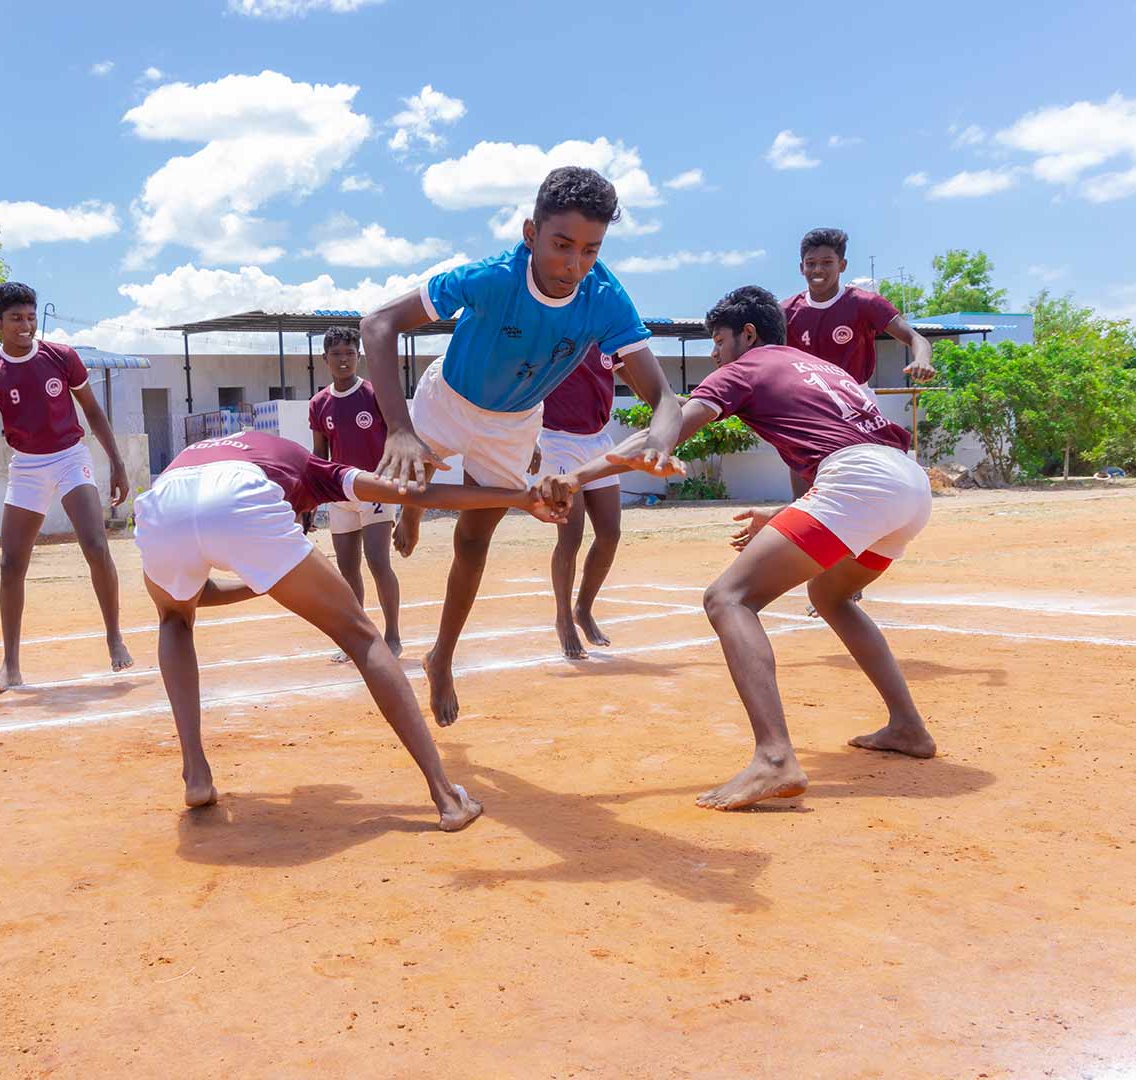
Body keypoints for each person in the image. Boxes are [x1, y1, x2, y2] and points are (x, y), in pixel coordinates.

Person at [543, 285, 937, 811]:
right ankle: (908, 726)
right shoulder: (818, 366)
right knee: (832, 595)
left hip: (858, 483)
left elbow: (665, 431)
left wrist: (576, 477)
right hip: (907, 484)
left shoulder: (746, 368)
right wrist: (787, 514)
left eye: (719, 340)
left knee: (728, 598)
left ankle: (774, 758)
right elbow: (848, 446)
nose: (714, 353)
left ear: (747, 335)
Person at [359, 166, 683, 726]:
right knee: (410, 483)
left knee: (472, 542)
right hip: (447, 399)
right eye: (561, 246)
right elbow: (378, 323)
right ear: (531, 234)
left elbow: (666, 400)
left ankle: (443, 656)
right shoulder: (490, 278)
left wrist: (658, 436)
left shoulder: (604, 298)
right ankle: (411, 506)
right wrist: (399, 428)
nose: (573, 265)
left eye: (590, 250)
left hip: (513, 424)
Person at [134, 429, 562, 829]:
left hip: (162, 500)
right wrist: (519, 497)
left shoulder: (215, 451)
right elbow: (413, 491)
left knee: (173, 620)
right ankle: (446, 796)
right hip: (238, 494)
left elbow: (195, 595)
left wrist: (261, 581)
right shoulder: (315, 468)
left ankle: (196, 773)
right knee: (361, 636)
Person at [0, 280, 133, 692]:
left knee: (95, 545)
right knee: (10, 564)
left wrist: (118, 465)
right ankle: (11, 665)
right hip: (27, 466)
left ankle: (114, 636)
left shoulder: (61, 356)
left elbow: (92, 410)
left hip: (71, 457)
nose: (26, 325)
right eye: (16, 318)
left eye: (31, 317)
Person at [783, 227, 935, 498]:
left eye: (827, 263)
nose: (818, 269)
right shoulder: (786, 311)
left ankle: (869, 531)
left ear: (842, 265)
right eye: (811, 263)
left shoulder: (864, 303)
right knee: (805, 488)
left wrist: (922, 361)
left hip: (855, 400)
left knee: (861, 486)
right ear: (800, 267)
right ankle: (804, 529)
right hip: (807, 404)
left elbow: (915, 337)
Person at [308, 326, 402, 661]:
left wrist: (393, 485)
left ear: (359, 356)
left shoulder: (375, 395)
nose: (344, 360)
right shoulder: (319, 404)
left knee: (378, 561)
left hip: (376, 488)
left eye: (350, 353)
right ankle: (358, 638)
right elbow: (319, 457)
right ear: (324, 359)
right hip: (339, 494)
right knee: (348, 571)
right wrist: (313, 499)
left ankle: (392, 635)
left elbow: (396, 439)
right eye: (337, 354)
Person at [534, 343, 626, 659]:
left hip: (598, 440)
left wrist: (669, 405)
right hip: (557, 439)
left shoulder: (611, 337)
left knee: (610, 533)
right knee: (570, 537)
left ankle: (582, 609)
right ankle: (563, 618)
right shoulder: (559, 328)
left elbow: (640, 377)